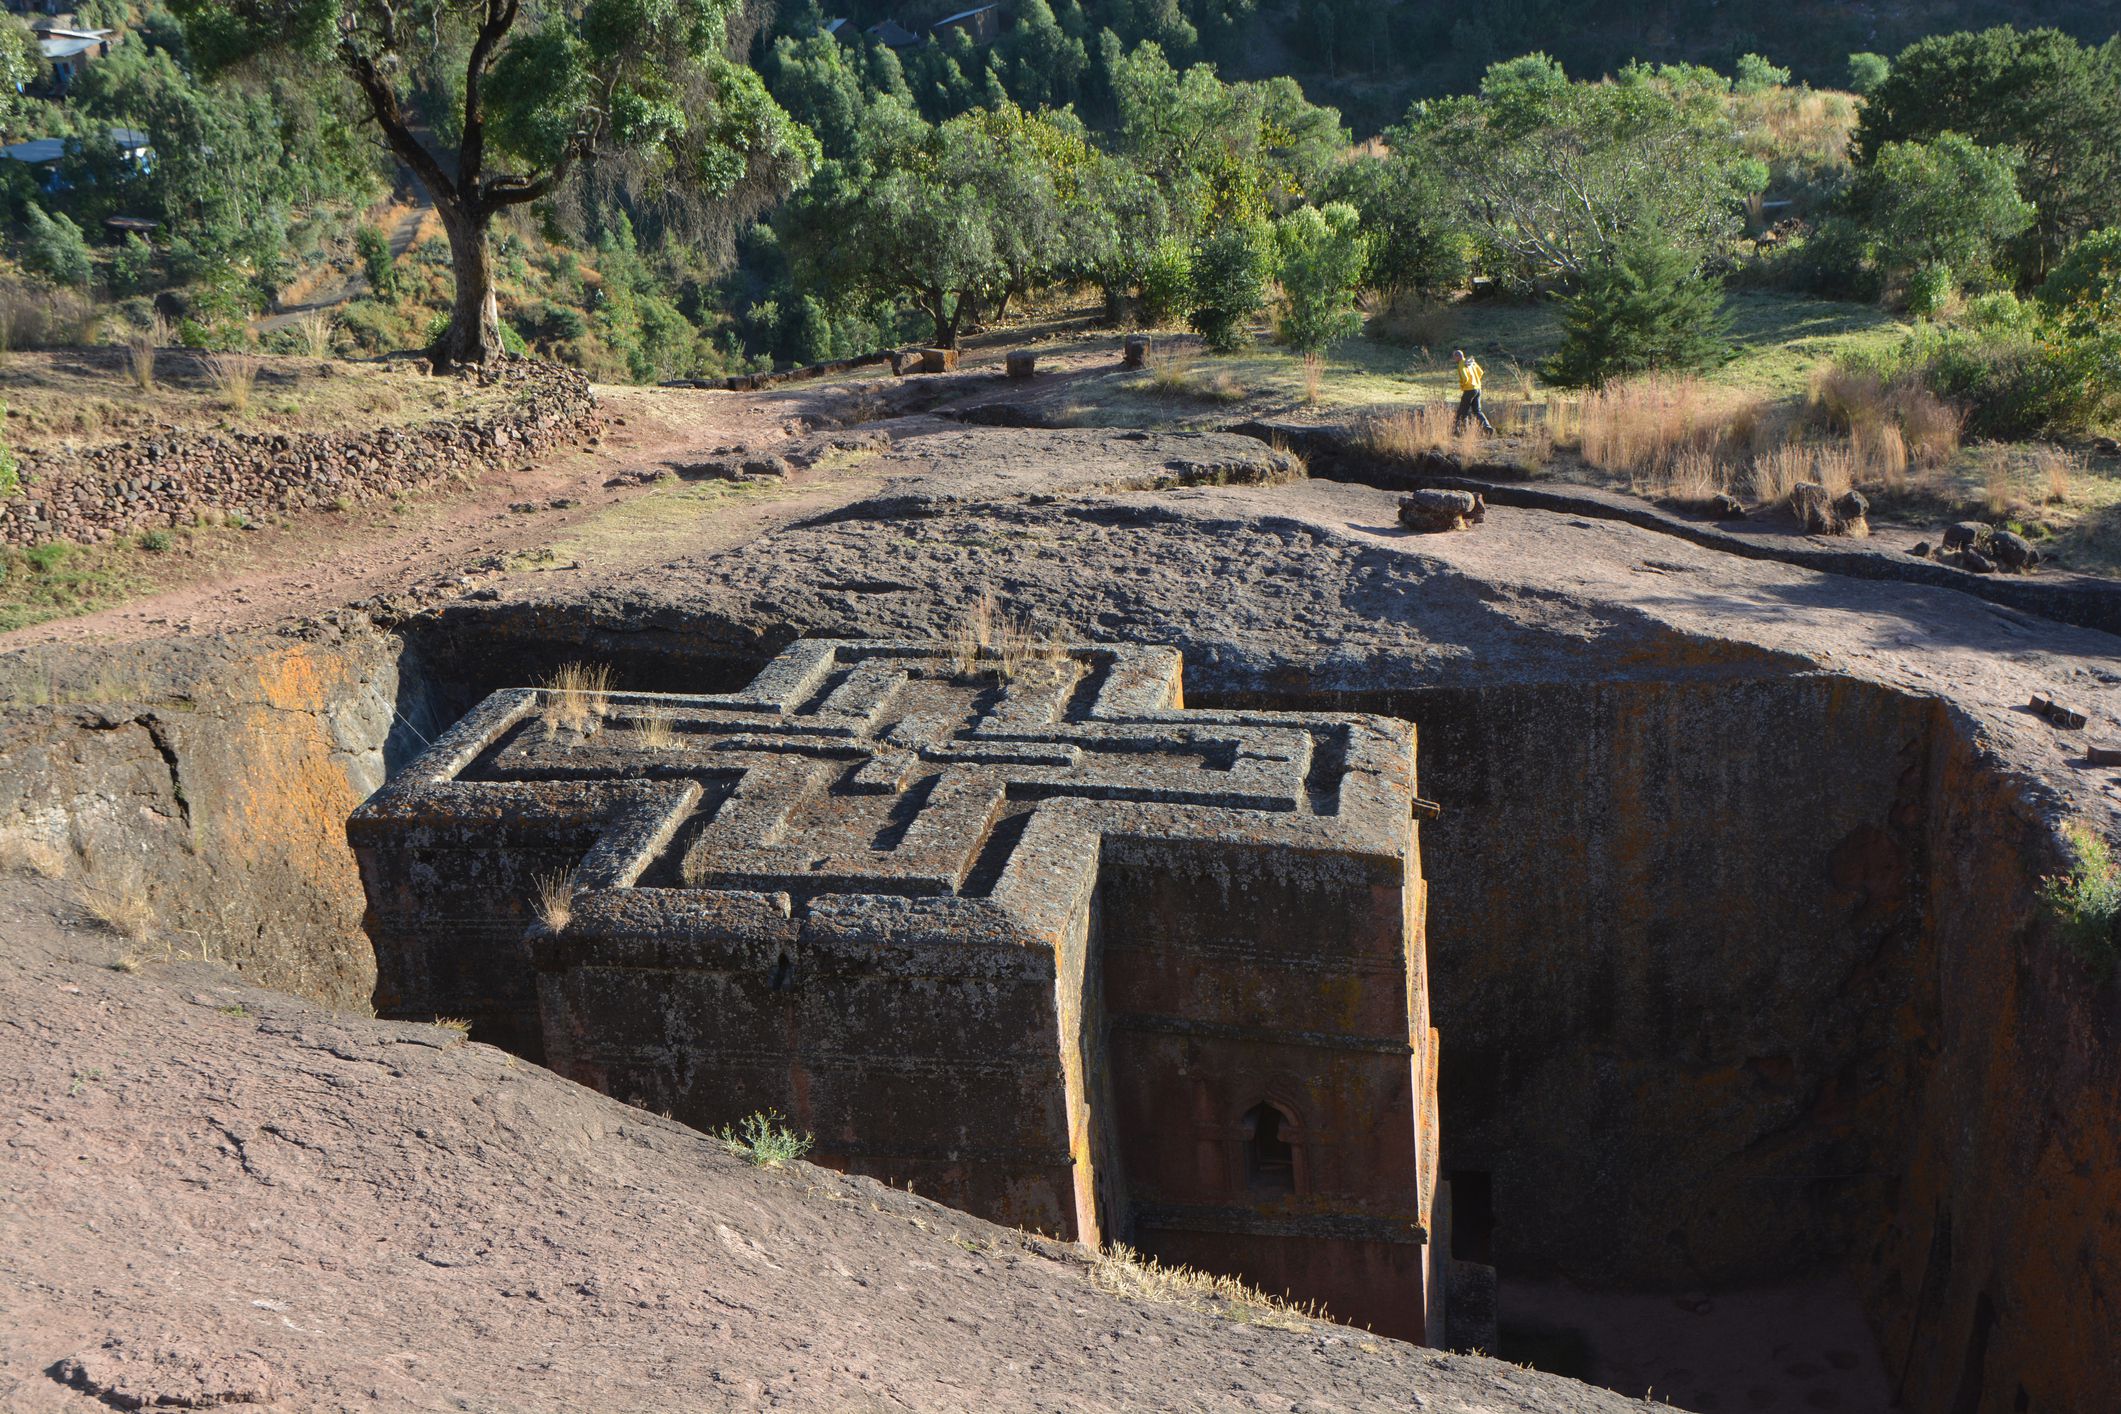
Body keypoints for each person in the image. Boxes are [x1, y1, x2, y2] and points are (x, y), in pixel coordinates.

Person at [1452, 348, 1494, 434]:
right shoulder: (1471, 362)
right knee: (1477, 411)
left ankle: (1458, 431)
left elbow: (1465, 377)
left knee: (1462, 411)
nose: (1454, 359)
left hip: (1469, 390)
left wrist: (1463, 385)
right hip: (1477, 389)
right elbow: (1481, 372)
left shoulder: (1461, 364)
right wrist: (1474, 381)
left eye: (1454, 357)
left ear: (1457, 357)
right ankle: (1487, 427)